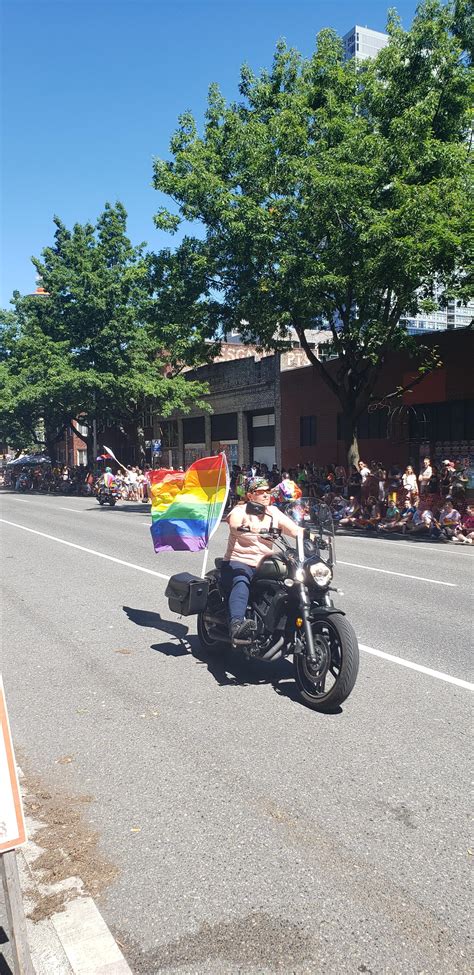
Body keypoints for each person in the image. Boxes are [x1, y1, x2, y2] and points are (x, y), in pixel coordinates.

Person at [222, 477, 302, 644]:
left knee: (291, 578)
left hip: (264, 562)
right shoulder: (240, 510)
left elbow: (294, 529)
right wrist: (249, 528)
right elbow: (234, 525)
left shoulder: (272, 511)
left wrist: (312, 536)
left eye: (268, 491)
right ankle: (236, 625)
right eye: (261, 492)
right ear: (250, 495)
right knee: (241, 580)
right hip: (240, 560)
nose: (266, 495)